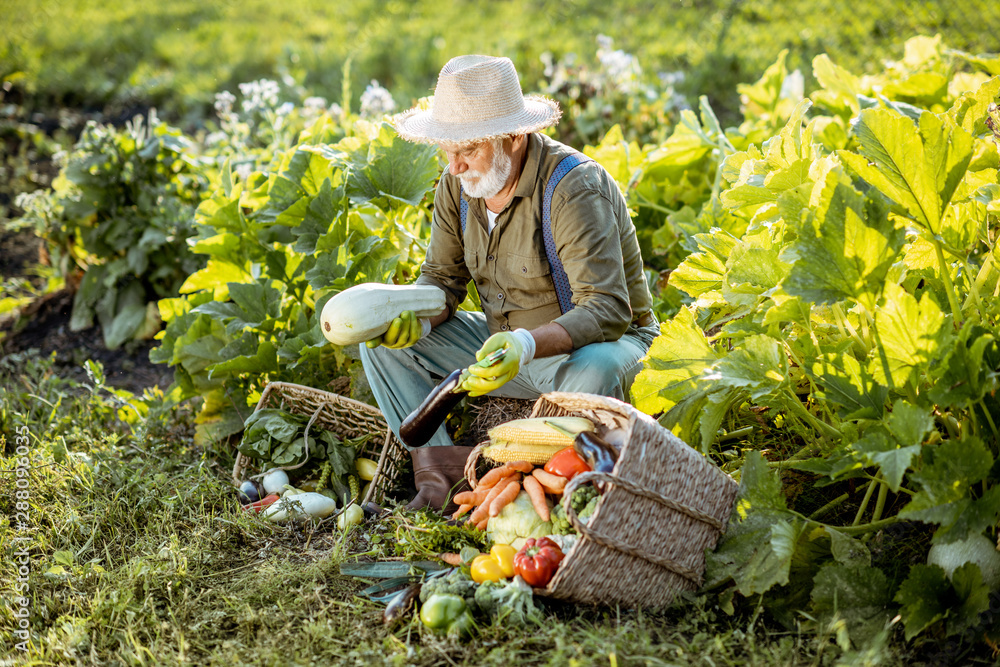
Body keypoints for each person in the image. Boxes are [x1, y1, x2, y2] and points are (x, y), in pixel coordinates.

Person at [360, 54, 658, 512]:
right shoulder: (456, 186)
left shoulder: (572, 187)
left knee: (596, 368)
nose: (455, 166)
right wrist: (417, 321)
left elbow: (607, 309)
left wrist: (524, 345)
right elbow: (442, 280)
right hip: (504, 348)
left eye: (469, 149)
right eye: (447, 149)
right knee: (377, 342)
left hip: (585, 349)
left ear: (515, 135)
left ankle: (574, 487)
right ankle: (442, 475)